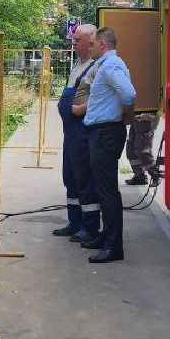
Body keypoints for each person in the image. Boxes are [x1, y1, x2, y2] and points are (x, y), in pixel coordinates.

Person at [79, 26, 136, 264]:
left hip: (105, 134)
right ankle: (106, 237)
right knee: (105, 189)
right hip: (102, 133)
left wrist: (123, 117)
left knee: (107, 191)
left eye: (92, 44)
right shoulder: (107, 65)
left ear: (103, 44)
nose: (88, 47)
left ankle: (113, 246)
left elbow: (129, 95)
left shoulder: (111, 66)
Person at [54, 24, 101, 240]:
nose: (74, 44)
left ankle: (89, 226)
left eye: (77, 40)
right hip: (69, 132)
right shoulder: (78, 64)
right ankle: (74, 222)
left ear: (90, 42)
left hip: (82, 131)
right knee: (70, 177)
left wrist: (80, 109)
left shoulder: (96, 66)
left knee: (85, 179)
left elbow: (101, 97)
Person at [124, 113, 159, 187]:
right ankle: (140, 176)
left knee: (142, 150)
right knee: (131, 150)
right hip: (135, 116)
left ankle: (156, 175)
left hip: (146, 117)